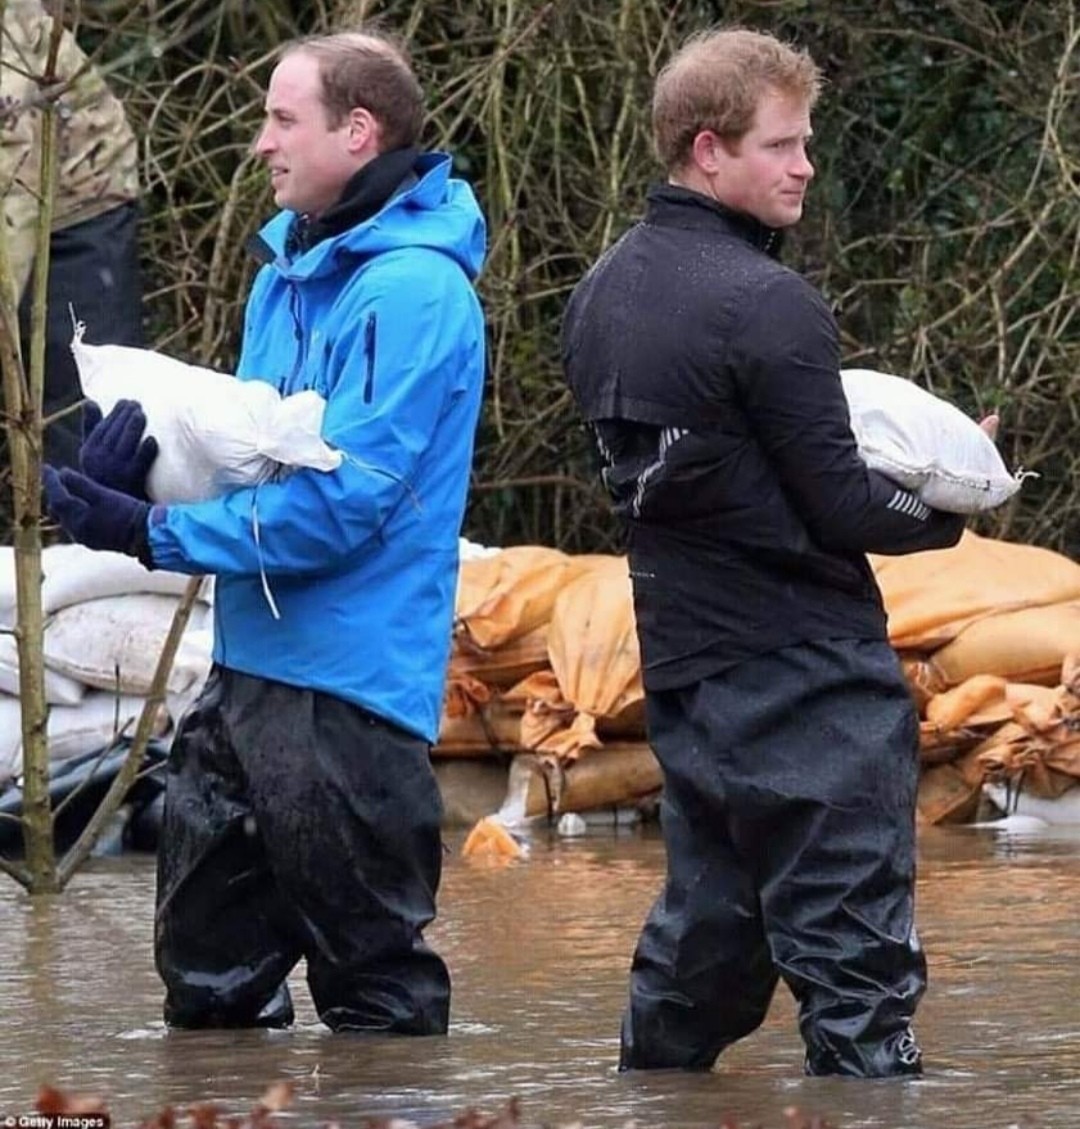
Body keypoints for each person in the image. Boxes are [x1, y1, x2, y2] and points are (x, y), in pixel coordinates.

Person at [42, 29, 487, 1035]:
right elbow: (255, 456)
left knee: (376, 1001)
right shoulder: (280, 275)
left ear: (358, 132)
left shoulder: (414, 293)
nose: (259, 144)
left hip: (351, 695)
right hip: (247, 674)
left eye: (282, 119)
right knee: (204, 979)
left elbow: (344, 504)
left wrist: (154, 531)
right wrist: (137, 476)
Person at [561, 27, 976, 1077]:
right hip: (809, 678)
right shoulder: (769, 303)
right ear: (709, 151)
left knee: (703, 951)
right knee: (858, 970)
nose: (805, 166)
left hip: (691, 675)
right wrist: (953, 510)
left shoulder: (598, 294)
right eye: (783, 146)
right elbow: (840, 502)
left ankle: (648, 1095)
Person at [1, 0, 144, 469]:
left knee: (85, 415)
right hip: (19, 188)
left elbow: (14, 180)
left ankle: (92, 534)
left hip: (75, 206)